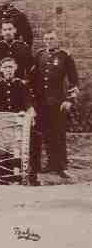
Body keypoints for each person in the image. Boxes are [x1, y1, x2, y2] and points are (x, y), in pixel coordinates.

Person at [30, 30, 80, 178]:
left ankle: (60, 166)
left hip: (58, 102)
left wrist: (69, 100)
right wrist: (32, 100)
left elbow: (74, 81)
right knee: (40, 133)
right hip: (40, 103)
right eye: (46, 39)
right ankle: (40, 165)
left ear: (57, 40)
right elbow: (33, 78)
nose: (48, 41)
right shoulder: (39, 55)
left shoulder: (65, 56)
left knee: (57, 134)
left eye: (51, 39)